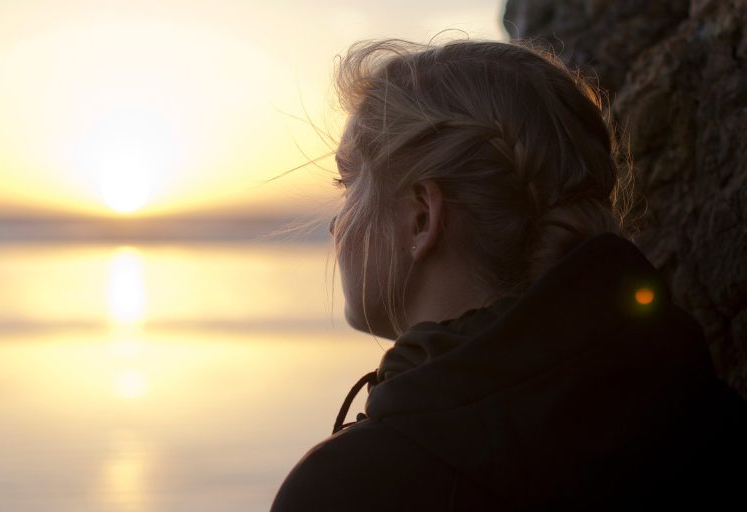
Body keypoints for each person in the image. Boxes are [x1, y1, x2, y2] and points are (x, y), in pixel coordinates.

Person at [271, 38, 747, 511]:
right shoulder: (710, 419)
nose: (337, 223)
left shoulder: (350, 490)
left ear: (421, 217)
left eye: (348, 184)